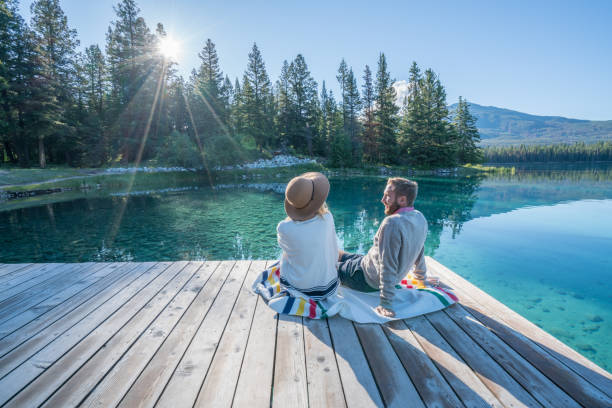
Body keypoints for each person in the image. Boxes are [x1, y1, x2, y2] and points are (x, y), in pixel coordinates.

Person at [337, 177, 428, 317]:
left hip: (365, 278)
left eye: (388, 196)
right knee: (340, 254)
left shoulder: (392, 223)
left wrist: (386, 303)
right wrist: (421, 278)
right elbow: (419, 249)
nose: (382, 199)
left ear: (402, 200)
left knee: (326, 266)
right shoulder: (419, 217)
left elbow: (388, 264)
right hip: (368, 262)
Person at [277, 172, 339, 301]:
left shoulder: (284, 228)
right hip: (328, 287)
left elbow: (289, 252)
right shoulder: (327, 218)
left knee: (285, 256)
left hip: (300, 288)